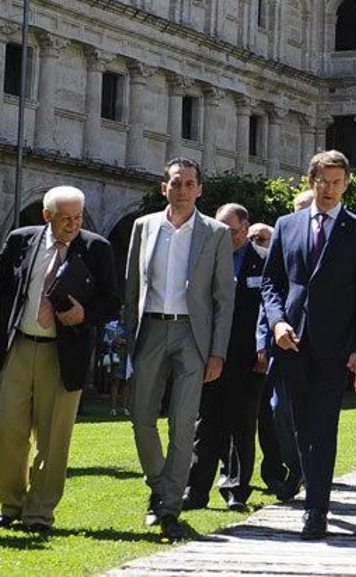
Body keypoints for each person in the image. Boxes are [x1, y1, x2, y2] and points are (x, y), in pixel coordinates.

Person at [0, 185, 120, 533]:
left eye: (78, 217)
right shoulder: (22, 240)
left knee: (53, 438)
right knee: (1, 426)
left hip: (63, 355)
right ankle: (10, 505)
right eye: (65, 219)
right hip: (20, 346)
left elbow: (112, 302)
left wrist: (84, 314)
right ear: (47, 216)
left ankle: (39, 513)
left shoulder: (96, 248)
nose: (73, 225)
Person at [261, 150, 356, 540]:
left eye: (336, 182)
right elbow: (272, 282)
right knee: (296, 425)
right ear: (310, 182)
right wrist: (276, 323)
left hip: (335, 345)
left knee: (323, 428)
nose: (328, 189)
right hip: (290, 341)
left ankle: (317, 511)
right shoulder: (286, 225)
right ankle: (312, 488)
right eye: (322, 182)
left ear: (346, 184)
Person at [123, 158, 236, 542]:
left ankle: (168, 505)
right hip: (151, 328)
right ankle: (160, 484)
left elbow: (224, 297)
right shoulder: (144, 227)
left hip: (193, 334)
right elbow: (131, 290)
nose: (183, 190)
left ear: (200, 189)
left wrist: (217, 352)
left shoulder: (216, 232)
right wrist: (127, 338)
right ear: (164, 188)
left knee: (184, 422)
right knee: (141, 419)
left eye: (190, 184)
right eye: (176, 183)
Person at [186, 203, 268, 512]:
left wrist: (265, 348)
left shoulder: (263, 261)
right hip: (209, 353)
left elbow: (268, 307)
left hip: (248, 356)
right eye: (219, 230)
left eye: (230, 231)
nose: (224, 236)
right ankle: (195, 491)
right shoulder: (208, 259)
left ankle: (236, 489)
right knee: (205, 424)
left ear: (245, 230)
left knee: (242, 425)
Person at [102, 318, 130, 416]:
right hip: (116, 357)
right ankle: (113, 408)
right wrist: (115, 341)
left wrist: (127, 342)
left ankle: (125, 407)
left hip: (127, 356)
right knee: (116, 381)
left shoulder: (130, 325)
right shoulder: (112, 325)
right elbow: (106, 340)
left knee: (126, 382)